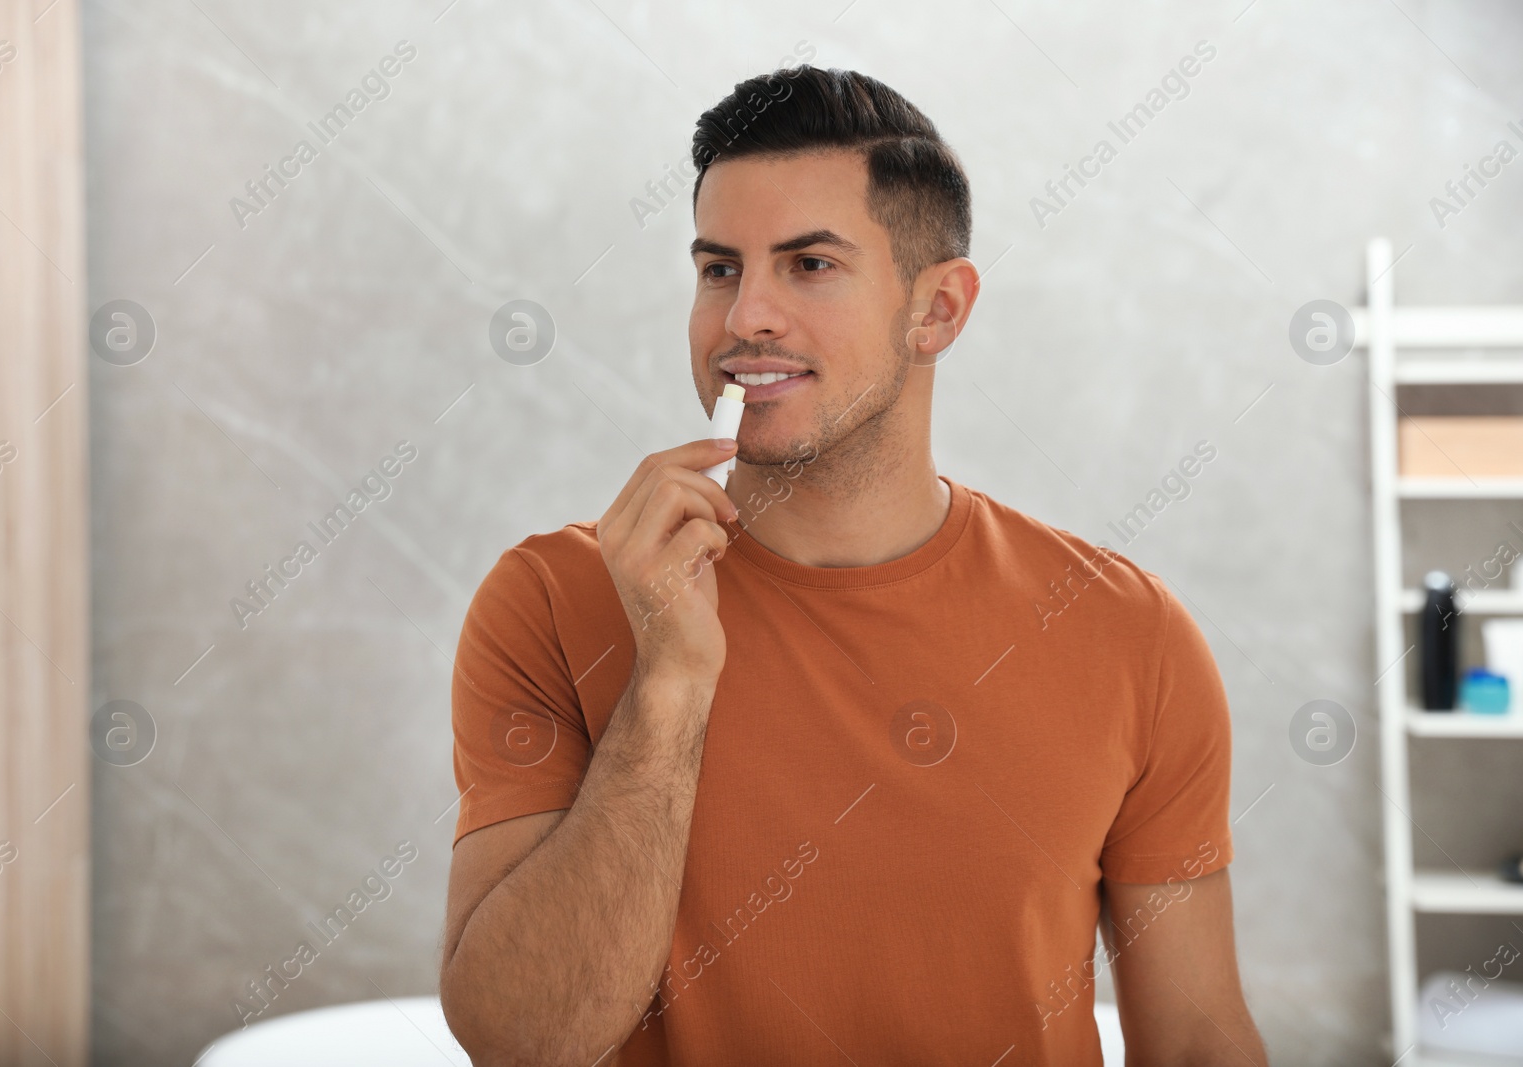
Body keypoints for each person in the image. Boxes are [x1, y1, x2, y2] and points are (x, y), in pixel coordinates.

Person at [438, 65, 1267, 1067]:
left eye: (809, 265)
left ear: (937, 311)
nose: (746, 317)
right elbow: (522, 1041)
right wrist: (668, 684)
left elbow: (1194, 1045)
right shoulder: (551, 600)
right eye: (717, 268)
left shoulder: (1125, 632)